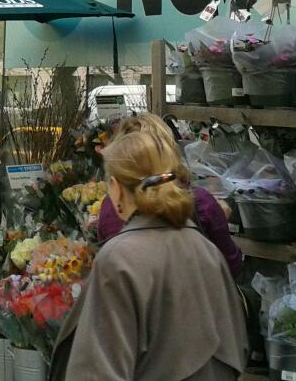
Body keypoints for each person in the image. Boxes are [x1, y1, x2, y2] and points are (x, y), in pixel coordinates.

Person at [56, 131, 248, 381]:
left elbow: (97, 370)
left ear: (115, 188)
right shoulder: (206, 249)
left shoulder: (119, 258)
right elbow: (236, 346)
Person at [94, 113, 243, 277]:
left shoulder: (110, 206)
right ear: (169, 152)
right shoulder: (201, 203)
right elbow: (231, 266)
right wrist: (217, 216)